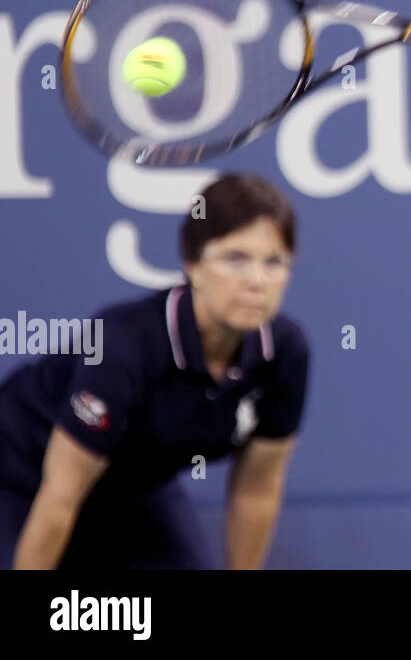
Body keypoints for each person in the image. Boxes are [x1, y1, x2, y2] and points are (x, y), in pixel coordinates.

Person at [0, 173, 310, 570]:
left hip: (132, 488)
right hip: (24, 477)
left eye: (274, 262)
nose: (257, 281)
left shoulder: (285, 352)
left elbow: (256, 490)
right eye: (235, 259)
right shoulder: (121, 348)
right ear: (193, 265)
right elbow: (61, 495)